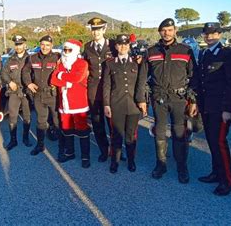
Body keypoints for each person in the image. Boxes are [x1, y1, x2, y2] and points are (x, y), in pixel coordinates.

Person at [136, 18, 197, 184]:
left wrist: (193, 100)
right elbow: (142, 77)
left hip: (179, 98)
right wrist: (141, 99)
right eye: (163, 30)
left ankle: (182, 167)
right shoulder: (151, 51)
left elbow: (194, 77)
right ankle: (161, 164)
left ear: (175, 30)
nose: (167, 33)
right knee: (160, 132)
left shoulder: (186, 50)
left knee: (179, 133)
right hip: (159, 97)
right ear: (159, 32)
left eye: (170, 30)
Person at [194, 22, 231, 196]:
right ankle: (216, 172)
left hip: (221, 108)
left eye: (213, 33)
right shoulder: (205, 53)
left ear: (219, 34)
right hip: (208, 105)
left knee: (220, 142)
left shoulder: (227, 54)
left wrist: (228, 108)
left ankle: (227, 180)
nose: (209, 36)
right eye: (206, 34)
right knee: (212, 141)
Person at [103, 34, 141, 173]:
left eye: (126, 44)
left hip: (133, 105)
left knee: (131, 136)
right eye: (120, 44)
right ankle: (115, 161)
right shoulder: (110, 63)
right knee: (116, 135)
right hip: (116, 104)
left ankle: (131, 161)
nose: (123, 47)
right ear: (116, 46)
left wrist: (142, 102)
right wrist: (106, 104)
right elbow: (106, 85)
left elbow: (141, 84)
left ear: (129, 46)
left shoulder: (137, 63)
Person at [51, 39, 91, 168]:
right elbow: (53, 80)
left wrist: (61, 76)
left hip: (79, 103)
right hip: (64, 103)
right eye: (65, 50)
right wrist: (67, 81)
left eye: (69, 50)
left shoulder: (82, 63)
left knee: (82, 130)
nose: (66, 52)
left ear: (75, 50)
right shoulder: (60, 64)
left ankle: (85, 157)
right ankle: (70, 153)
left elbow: (77, 78)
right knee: (67, 129)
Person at [82, 17, 117, 162]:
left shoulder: (113, 45)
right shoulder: (87, 47)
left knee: (113, 122)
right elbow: (84, 66)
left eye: (98, 29)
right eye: (93, 29)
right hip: (94, 89)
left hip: (111, 89)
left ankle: (116, 150)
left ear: (104, 29)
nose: (96, 32)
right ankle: (104, 150)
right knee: (97, 122)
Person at [22, 35, 61, 156]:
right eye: (43, 44)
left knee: (56, 120)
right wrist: (29, 83)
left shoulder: (57, 57)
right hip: (38, 94)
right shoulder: (32, 58)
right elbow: (25, 71)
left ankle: (62, 147)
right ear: (40, 44)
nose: (45, 47)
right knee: (41, 121)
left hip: (52, 94)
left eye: (48, 45)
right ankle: (40, 145)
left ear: (52, 46)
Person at [1, 35, 32, 150]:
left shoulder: (31, 58)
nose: (18, 46)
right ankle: (13, 140)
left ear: (24, 45)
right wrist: (9, 82)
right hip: (14, 92)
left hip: (26, 91)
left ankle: (26, 138)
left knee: (27, 116)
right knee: (12, 116)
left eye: (20, 44)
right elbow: (4, 73)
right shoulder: (10, 59)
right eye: (16, 44)